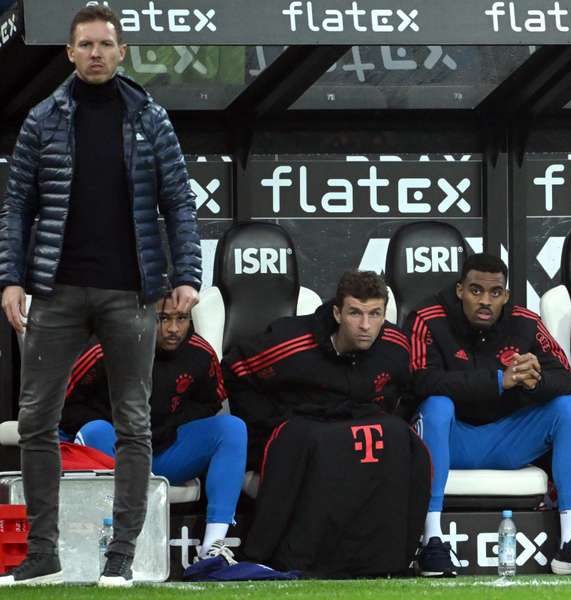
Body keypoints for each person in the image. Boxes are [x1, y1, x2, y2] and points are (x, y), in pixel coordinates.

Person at [0, 6, 200, 587]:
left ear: (121, 51)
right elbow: (17, 208)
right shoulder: (43, 118)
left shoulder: (151, 119)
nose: (95, 53)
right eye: (84, 44)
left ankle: (122, 555)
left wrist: (186, 272)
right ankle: (43, 552)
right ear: (69, 52)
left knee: (134, 422)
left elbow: (178, 204)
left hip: (130, 292)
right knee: (36, 421)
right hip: (55, 291)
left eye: (105, 44)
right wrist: (11, 278)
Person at [405, 252, 571, 577]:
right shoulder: (426, 318)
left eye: (495, 293)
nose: (485, 301)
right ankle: (432, 542)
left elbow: (568, 379)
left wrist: (533, 379)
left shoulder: (525, 322)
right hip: (448, 440)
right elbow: (420, 380)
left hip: (507, 440)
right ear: (459, 290)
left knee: (567, 408)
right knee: (437, 404)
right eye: (475, 290)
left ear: (506, 296)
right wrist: (500, 380)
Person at [223, 271, 430, 578]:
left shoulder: (396, 346)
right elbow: (234, 370)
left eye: (375, 314)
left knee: (401, 440)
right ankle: (289, 557)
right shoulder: (291, 342)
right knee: (313, 441)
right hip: (304, 441)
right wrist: (274, 426)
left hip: (359, 446)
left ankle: (387, 559)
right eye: (355, 313)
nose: (365, 326)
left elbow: (412, 389)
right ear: (337, 312)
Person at [60, 296, 245, 563]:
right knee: (96, 430)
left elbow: (210, 402)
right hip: (115, 449)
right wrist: (125, 426)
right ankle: (119, 543)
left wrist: (170, 423)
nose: (173, 329)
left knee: (232, 428)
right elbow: (64, 406)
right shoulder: (108, 347)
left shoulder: (200, 353)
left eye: (181, 319)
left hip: (165, 451)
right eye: (163, 319)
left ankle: (212, 549)